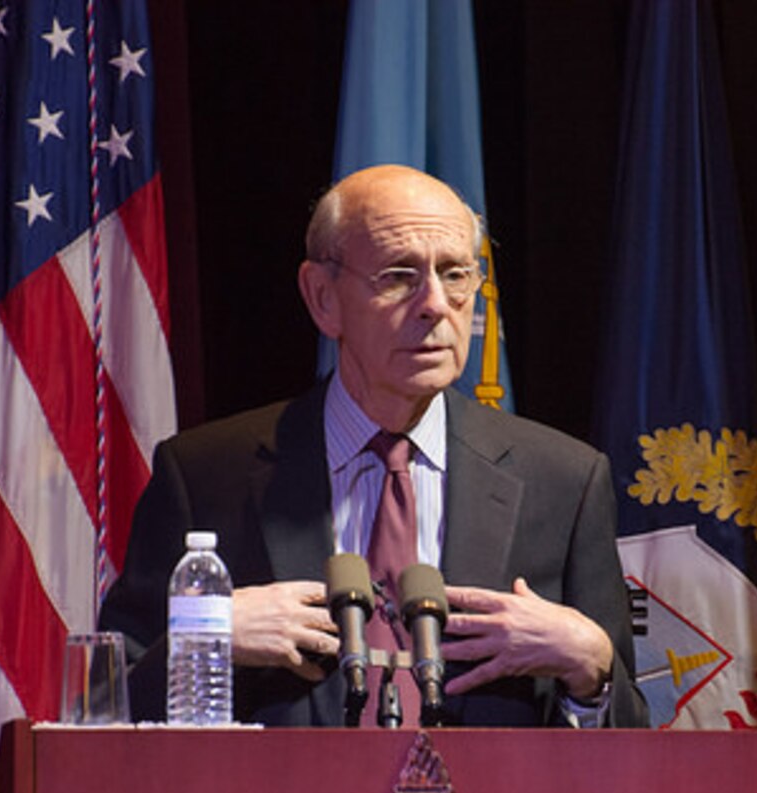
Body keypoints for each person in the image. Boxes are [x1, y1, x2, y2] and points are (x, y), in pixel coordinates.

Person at [101, 164, 646, 728]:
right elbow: (108, 709)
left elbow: (631, 749)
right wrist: (205, 639)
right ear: (322, 298)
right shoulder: (205, 475)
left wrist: (591, 668)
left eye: (456, 274)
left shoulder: (564, 481)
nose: (435, 303)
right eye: (399, 276)